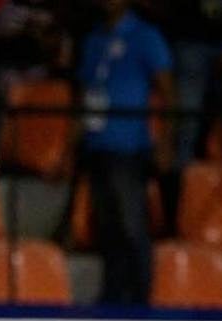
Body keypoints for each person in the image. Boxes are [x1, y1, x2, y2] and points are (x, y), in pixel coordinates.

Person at [75, 0, 174, 305]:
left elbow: (168, 91)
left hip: (129, 147)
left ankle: (141, 299)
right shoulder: (93, 39)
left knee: (132, 225)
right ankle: (113, 297)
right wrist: (72, 146)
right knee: (107, 228)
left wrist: (165, 142)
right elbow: (84, 94)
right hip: (97, 145)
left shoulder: (145, 36)